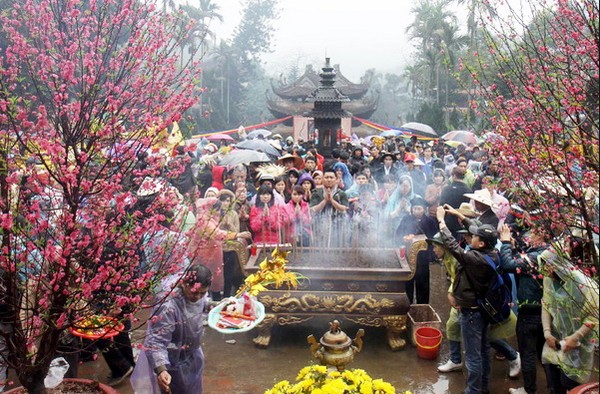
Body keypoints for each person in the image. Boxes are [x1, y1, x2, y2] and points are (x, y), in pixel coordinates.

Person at [437, 209, 500, 394]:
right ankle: (484, 387)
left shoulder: (474, 259)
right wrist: (460, 216)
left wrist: (441, 221)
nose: (470, 237)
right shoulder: (493, 253)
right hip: (483, 309)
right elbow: (476, 228)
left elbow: (452, 246)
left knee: (473, 356)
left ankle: (473, 390)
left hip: (472, 312)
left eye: (474, 237)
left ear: (480, 243)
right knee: (483, 351)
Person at [131, 264, 212, 394]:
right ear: (183, 283)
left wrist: (219, 307)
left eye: (203, 293)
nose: (198, 297)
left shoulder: (197, 294)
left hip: (192, 355)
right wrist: (161, 369)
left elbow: (201, 304)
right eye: (195, 292)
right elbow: (156, 340)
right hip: (172, 362)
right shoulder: (168, 305)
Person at [539, 248, 599, 393]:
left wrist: (576, 336)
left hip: (578, 344)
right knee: (554, 382)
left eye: (549, 265)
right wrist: (547, 333)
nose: (546, 269)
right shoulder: (549, 279)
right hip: (555, 340)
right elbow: (546, 305)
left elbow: (594, 314)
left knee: (572, 384)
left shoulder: (581, 282)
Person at [499, 225, 549, 394]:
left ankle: (529, 390)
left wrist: (505, 243)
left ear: (542, 235)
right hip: (546, 311)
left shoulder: (538, 256)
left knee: (528, 353)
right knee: (545, 353)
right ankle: (552, 387)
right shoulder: (549, 253)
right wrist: (513, 247)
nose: (529, 236)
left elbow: (508, 265)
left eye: (533, 233)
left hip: (530, 312)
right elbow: (521, 261)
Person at [397, 197, 438, 304]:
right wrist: (403, 239)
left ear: (424, 209)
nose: (416, 211)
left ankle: (422, 306)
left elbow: (434, 239)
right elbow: (398, 234)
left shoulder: (430, 221)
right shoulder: (406, 219)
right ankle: (407, 304)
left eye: (419, 209)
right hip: (408, 256)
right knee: (408, 282)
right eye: (414, 209)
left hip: (422, 258)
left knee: (423, 283)